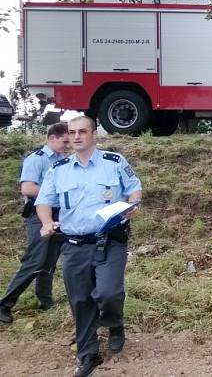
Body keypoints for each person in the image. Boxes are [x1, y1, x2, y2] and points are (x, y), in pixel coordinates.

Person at [36, 116, 142, 377]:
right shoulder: (58, 169)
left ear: (94, 134)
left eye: (83, 131)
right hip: (74, 245)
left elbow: (134, 188)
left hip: (110, 240)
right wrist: (47, 221)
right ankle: (88, 354)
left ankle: (114, 323)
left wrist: (133, 206)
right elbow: (44, 201)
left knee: (109, 293)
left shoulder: (114, 163)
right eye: (72, 132)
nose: (77, 137)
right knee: (80, 301)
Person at [0, 123, 69, 324]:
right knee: (35, 260)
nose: (67, 145)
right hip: (38, 214)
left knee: (50, 259)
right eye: (64, 140)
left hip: (57, 214)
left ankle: (46, 301)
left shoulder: (63, 160)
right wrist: (55, 193)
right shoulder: (36, 159)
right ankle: (5, 304)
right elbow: (28, 188)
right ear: (52, 137)